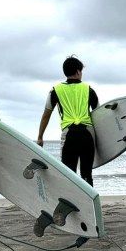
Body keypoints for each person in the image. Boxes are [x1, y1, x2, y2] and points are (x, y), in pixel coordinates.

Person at [36, 56, 99, 187]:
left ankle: (73, 204)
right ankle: (89, 206)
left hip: (69, 134)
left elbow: (46, 115)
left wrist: (40, 137)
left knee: (69, 175)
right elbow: (100, 114)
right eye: (81, 71)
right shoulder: (89, 89)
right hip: (87, 134)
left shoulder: (55, 90)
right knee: (87, 174)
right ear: (77, 71)